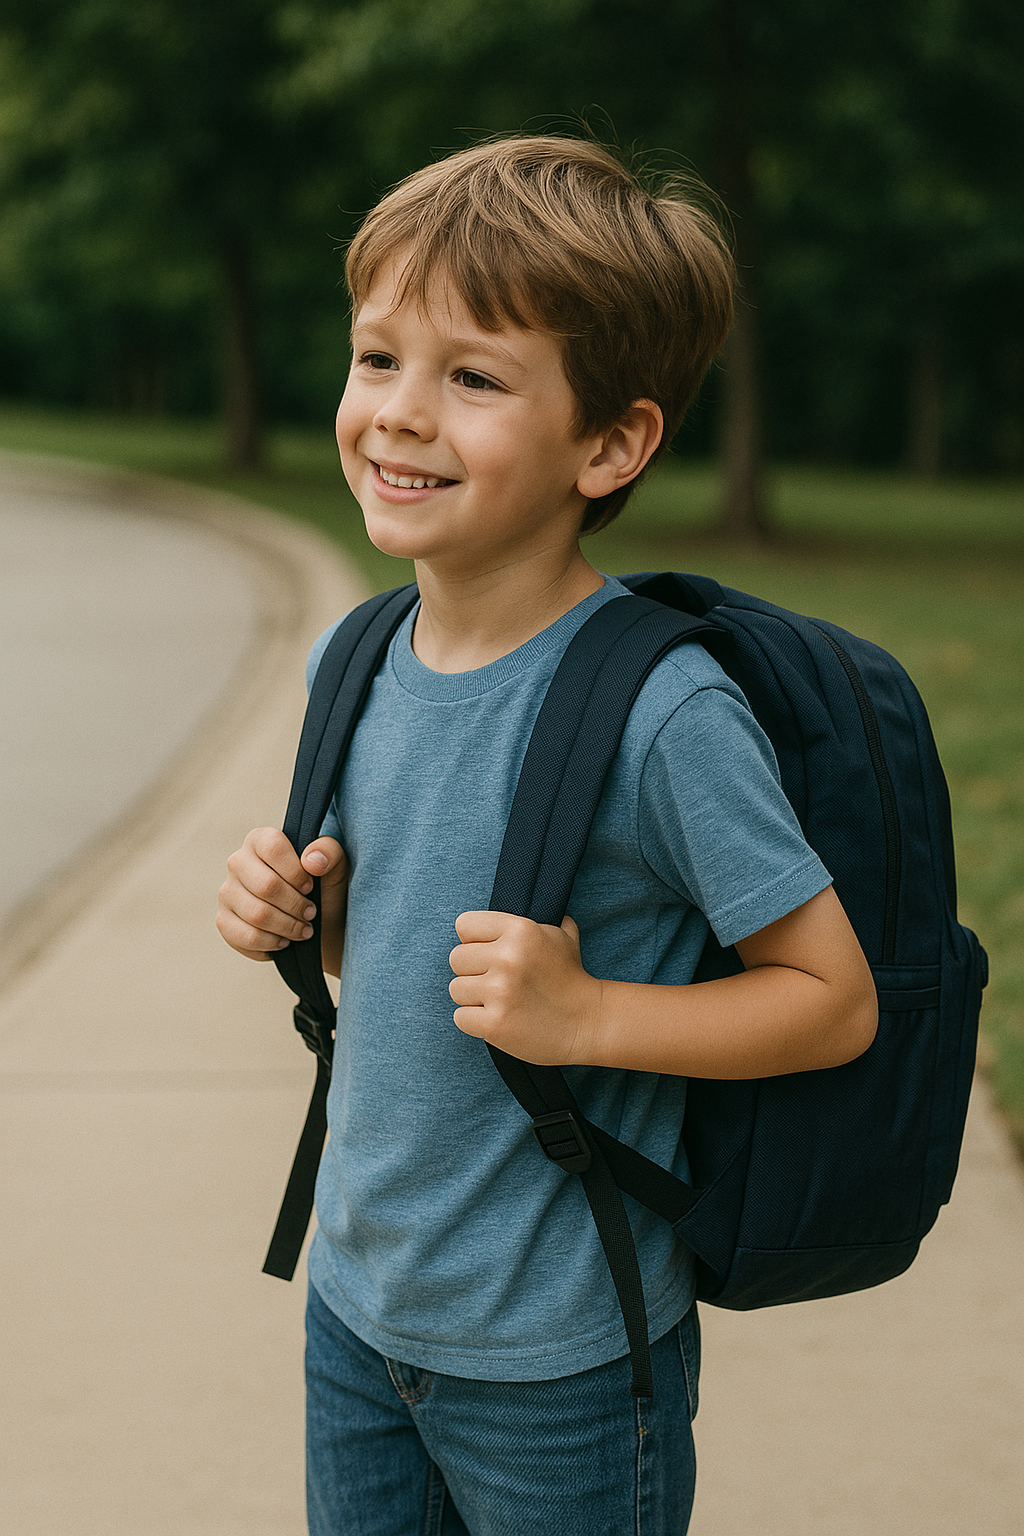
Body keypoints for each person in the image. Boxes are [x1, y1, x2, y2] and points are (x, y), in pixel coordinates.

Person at [216, 135, 877, 1536]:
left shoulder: (661, 713)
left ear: (610, 445)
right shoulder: (358, 655)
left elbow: (832, 1002)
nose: (399, 413)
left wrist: (587, 1016)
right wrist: (301, 916)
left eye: (473, 377)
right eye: (377, 357)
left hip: (560, 1361)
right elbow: (389, 965)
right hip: (358, 1307)